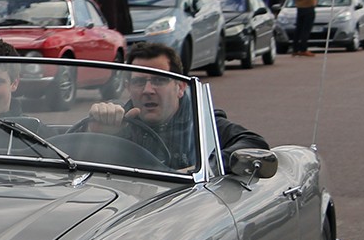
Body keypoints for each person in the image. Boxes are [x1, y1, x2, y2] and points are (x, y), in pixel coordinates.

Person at [75, 42, 267, 166]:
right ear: (128, 87)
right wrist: (95, 132)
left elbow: (254, 143)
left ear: (180, 87)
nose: (148, 90)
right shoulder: (118, 123)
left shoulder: (201, 124)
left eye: (159, 80)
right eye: (139, 82)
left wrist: (210, 164)